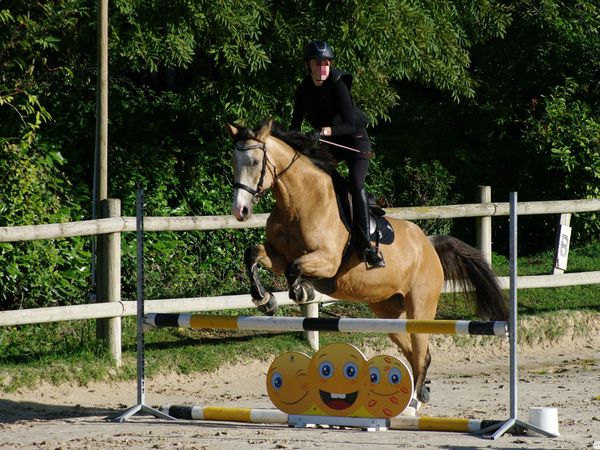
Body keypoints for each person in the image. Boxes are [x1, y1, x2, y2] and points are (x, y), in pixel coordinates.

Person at [290, 40, 385, 269]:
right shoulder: (303, 90)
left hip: (355, 143)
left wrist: (323, 131)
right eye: (317, 62)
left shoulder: (338, 84)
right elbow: (294, 125)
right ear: (308, 65)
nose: (323, 67)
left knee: (354, 182)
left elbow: (350, 124)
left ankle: (367, 248)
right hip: (329, 145)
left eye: (327, 63)